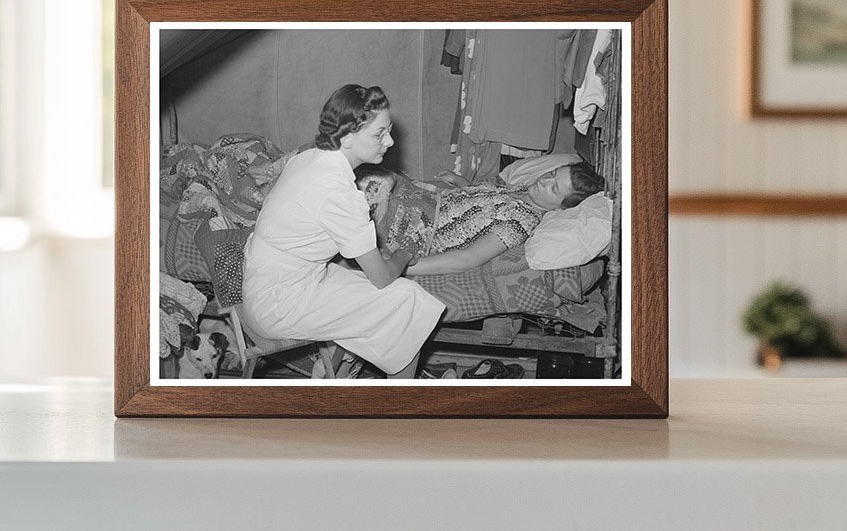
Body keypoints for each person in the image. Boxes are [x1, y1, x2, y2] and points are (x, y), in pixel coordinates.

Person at [241, 84, 446, 378]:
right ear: (348, 137)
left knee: (393, 297)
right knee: (404, 300)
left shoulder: (309, 157)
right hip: (279, 304)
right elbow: (383, 278)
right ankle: (402, 408)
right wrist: (403, 255)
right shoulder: (339, 193)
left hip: (271, 281)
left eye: (388, 131)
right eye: (379, 134)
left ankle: (348, 371)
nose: (389, 141)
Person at [362, 162, 604, 277]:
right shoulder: (522, 189)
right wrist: (459, 181)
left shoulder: (520, 222)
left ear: (560, 209)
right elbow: (482, 204)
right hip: (426, 200)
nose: (544, 181)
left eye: (554, 189)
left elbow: (469, 259)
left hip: (420, 229)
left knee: (371, 187)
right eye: (551, 173)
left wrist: (403, 268)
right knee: (376, 173)